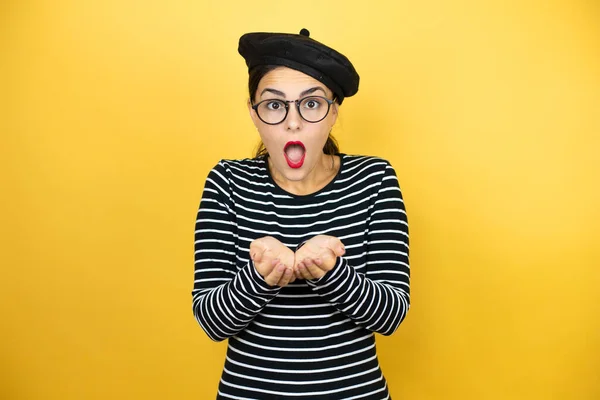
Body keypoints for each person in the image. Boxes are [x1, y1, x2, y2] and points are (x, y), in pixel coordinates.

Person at [192, 28, 410, 399]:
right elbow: (211, 322)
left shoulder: (375, 179)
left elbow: (391, 315)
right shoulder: (226, 182)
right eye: (275, 105)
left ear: (333, 112)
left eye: (310, 104)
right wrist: (260, 277)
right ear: (254, 115)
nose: (293, 122)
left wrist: (333, 274)